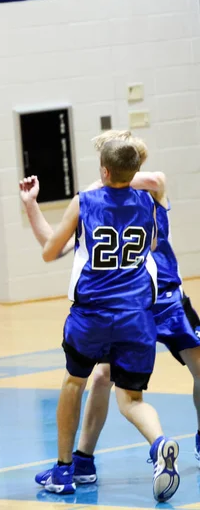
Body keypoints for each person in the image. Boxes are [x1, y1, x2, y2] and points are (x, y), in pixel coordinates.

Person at [36, 131, 200, 486]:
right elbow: (155, 240)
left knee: (73, 383)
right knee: (131, 398)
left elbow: (50, 252)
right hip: (136, 315)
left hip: (93, 314)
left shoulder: (86, 201)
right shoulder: (150, 202)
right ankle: (159, 445)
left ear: (104, 170)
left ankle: (64, 468)